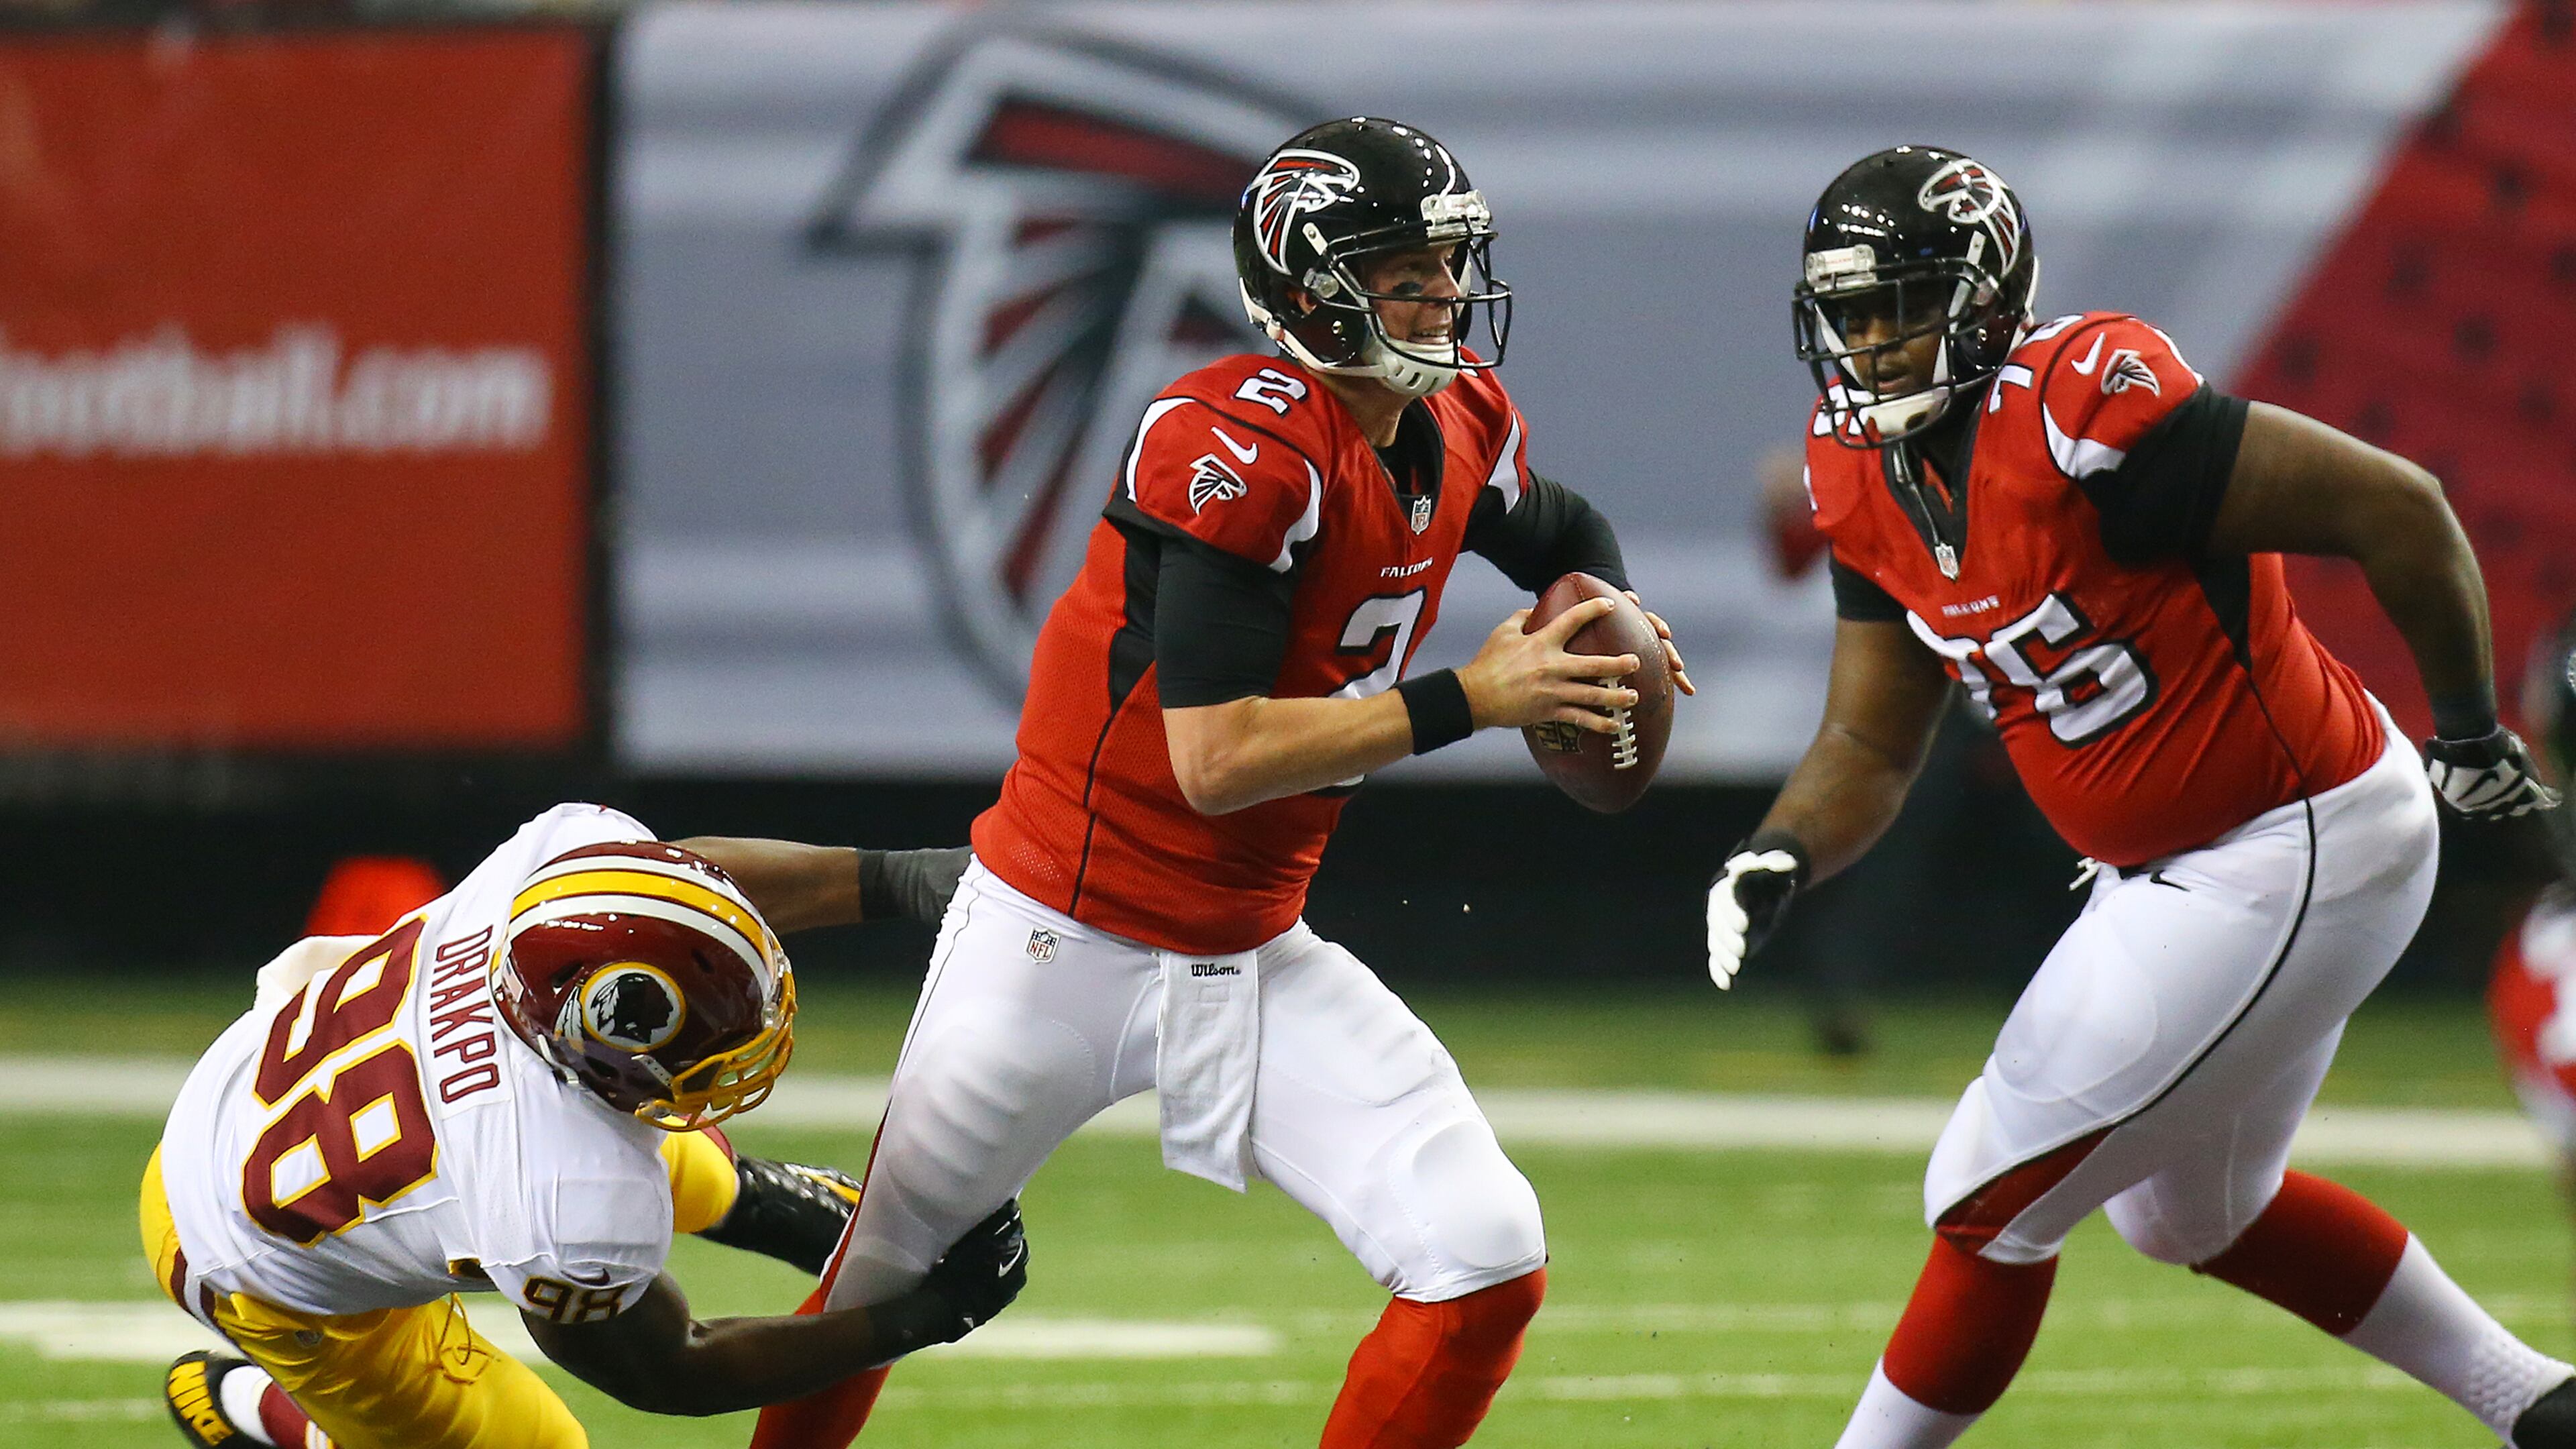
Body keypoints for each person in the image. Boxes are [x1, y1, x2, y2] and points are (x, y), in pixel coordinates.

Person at [749, 115, 1689, 1449]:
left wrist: (1616, 623)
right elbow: (1215, 760)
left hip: (1248, 950)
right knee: (885, 1276)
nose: (1444, 294)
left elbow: (1564, 532)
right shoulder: (1235, 445)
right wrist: (1471, 700)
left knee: (1483, 1253)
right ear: (1312, 289)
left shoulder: (1459, 417)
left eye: (1449, 262)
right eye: (1407, 269)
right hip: (1052, 943)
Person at [1706, 145, 2576, 1448]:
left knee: (1985, 1193)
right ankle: (2540, 1406)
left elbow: (2401, 509)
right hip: (2189, 866)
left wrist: (2466, 729)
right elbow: (1874, 741)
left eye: (1909, 303)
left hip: (2293, 838)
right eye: (1856, 309)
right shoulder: (1859, 471)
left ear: (1990, 301)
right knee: (2189, 1215)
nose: (1879, 341)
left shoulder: (2082, 413)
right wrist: (1779, 852)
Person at [148, 804, 1016, 1449]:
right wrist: (922, 1317)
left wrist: (908, 878)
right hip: (248, 1260)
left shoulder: (557, 884)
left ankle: (785, 1208)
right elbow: (672, 1368)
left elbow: (675, 876)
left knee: (686, 1167)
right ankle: (291, 1425)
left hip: (247, 1094)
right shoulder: (559, 1190)